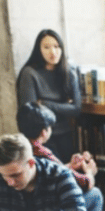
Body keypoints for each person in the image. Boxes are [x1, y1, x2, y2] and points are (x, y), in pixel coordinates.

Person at [16, 102, 104, 211]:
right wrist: (89, 173)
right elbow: (84, 183)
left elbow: (48, 172)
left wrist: (69, 166)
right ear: (44, 132)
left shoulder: (20, 147)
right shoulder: (41, 151)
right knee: (95, 195)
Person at [17, 29, 81, 160]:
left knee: (71, 170)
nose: (53, 52)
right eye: (46, 47)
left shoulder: (69, 72)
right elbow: (32, 114)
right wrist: (64, 106)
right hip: (42, 137)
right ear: (38, 50)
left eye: (57, 47)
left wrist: (45, 104)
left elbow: (76, 109)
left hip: (65, 132)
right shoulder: (29, 74)